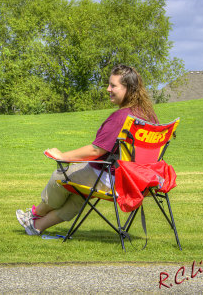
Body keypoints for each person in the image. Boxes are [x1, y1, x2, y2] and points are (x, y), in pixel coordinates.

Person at [16, 64, 158, 236]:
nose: (108, 89)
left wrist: (62, 156)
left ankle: (33, 214)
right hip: (139, 181)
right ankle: (36, 226)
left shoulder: (122, 117)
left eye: (113, 86)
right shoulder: (148, 115)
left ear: (129, 89)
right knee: (77, 196)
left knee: (59, 176)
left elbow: (95, 151)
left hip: (113, 178)